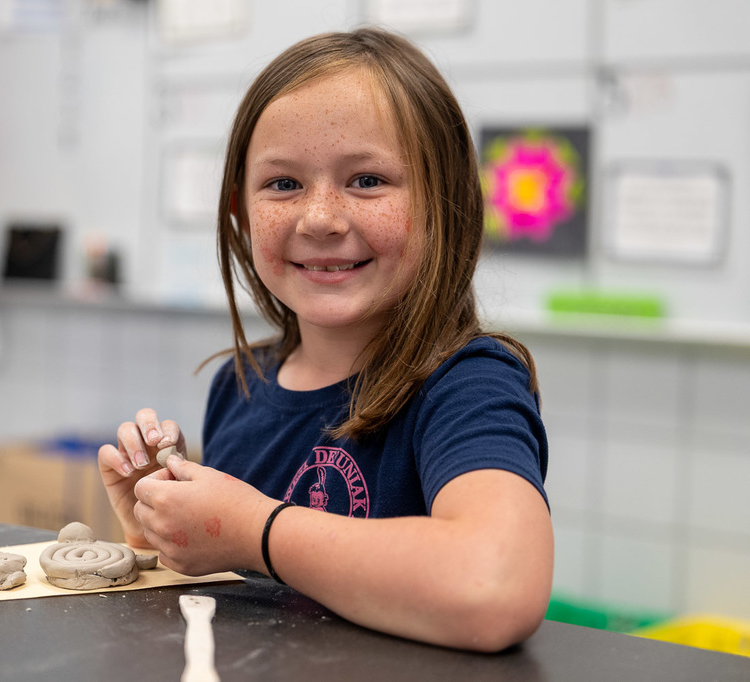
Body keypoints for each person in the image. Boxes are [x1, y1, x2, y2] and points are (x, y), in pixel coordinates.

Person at [98, 26, 552, 652]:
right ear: (240, 211)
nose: (320, 220)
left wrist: (255, 529)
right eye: (283, 184)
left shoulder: (468, 383)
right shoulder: (240, 384)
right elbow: (247, 610)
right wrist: (162, 532)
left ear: (445, 205)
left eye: (367, 180)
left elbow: (495, 585)